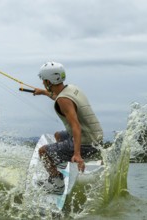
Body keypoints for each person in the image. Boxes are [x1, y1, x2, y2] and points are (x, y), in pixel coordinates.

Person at [33, 61, 103, 194]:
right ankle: (62, 162)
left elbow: (76, 126)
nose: (43, 83)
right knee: (58, 135)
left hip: (86, 143)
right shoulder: (71, 88)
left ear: (49, 81)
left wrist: (77, 154)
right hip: (96, 137)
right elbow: (59, 97)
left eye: (43, 81)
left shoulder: (63, 100)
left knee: (43, 152)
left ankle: (57, 183)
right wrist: (43, 92)